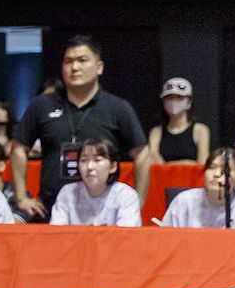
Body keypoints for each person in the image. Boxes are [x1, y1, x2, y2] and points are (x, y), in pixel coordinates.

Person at [11, 36, 147, 222]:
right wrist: (21, 197)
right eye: (68, 62)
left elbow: (142, 154)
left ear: (99, 67)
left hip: (102, 215)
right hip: (50, 209)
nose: (74, 67)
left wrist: (137, 202)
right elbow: (18, 148)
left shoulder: (117, 107)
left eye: (82, 60)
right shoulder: (42, 104)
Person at [139, 76, 210, 204]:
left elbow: (202, 165)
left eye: (179, 98)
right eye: (170, 97)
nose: (174, 101)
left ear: (189, 102)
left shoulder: (200, 130)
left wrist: (168, 165)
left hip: (191, 188)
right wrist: (186, 163)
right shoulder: (156, 132)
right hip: (162, 189)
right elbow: (153, 161)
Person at [49, 137, 141, 226]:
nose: (89, 167)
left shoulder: (126, 195)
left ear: (113, 167)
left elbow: (127, 233)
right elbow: (57, 231)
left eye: (97, 160)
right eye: (84, 160)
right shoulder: (68, 193)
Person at [162, 147, 235, 229]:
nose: (217, 174)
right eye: (212, 168)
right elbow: (166, 238)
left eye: (226, 169)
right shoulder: (183, 201)